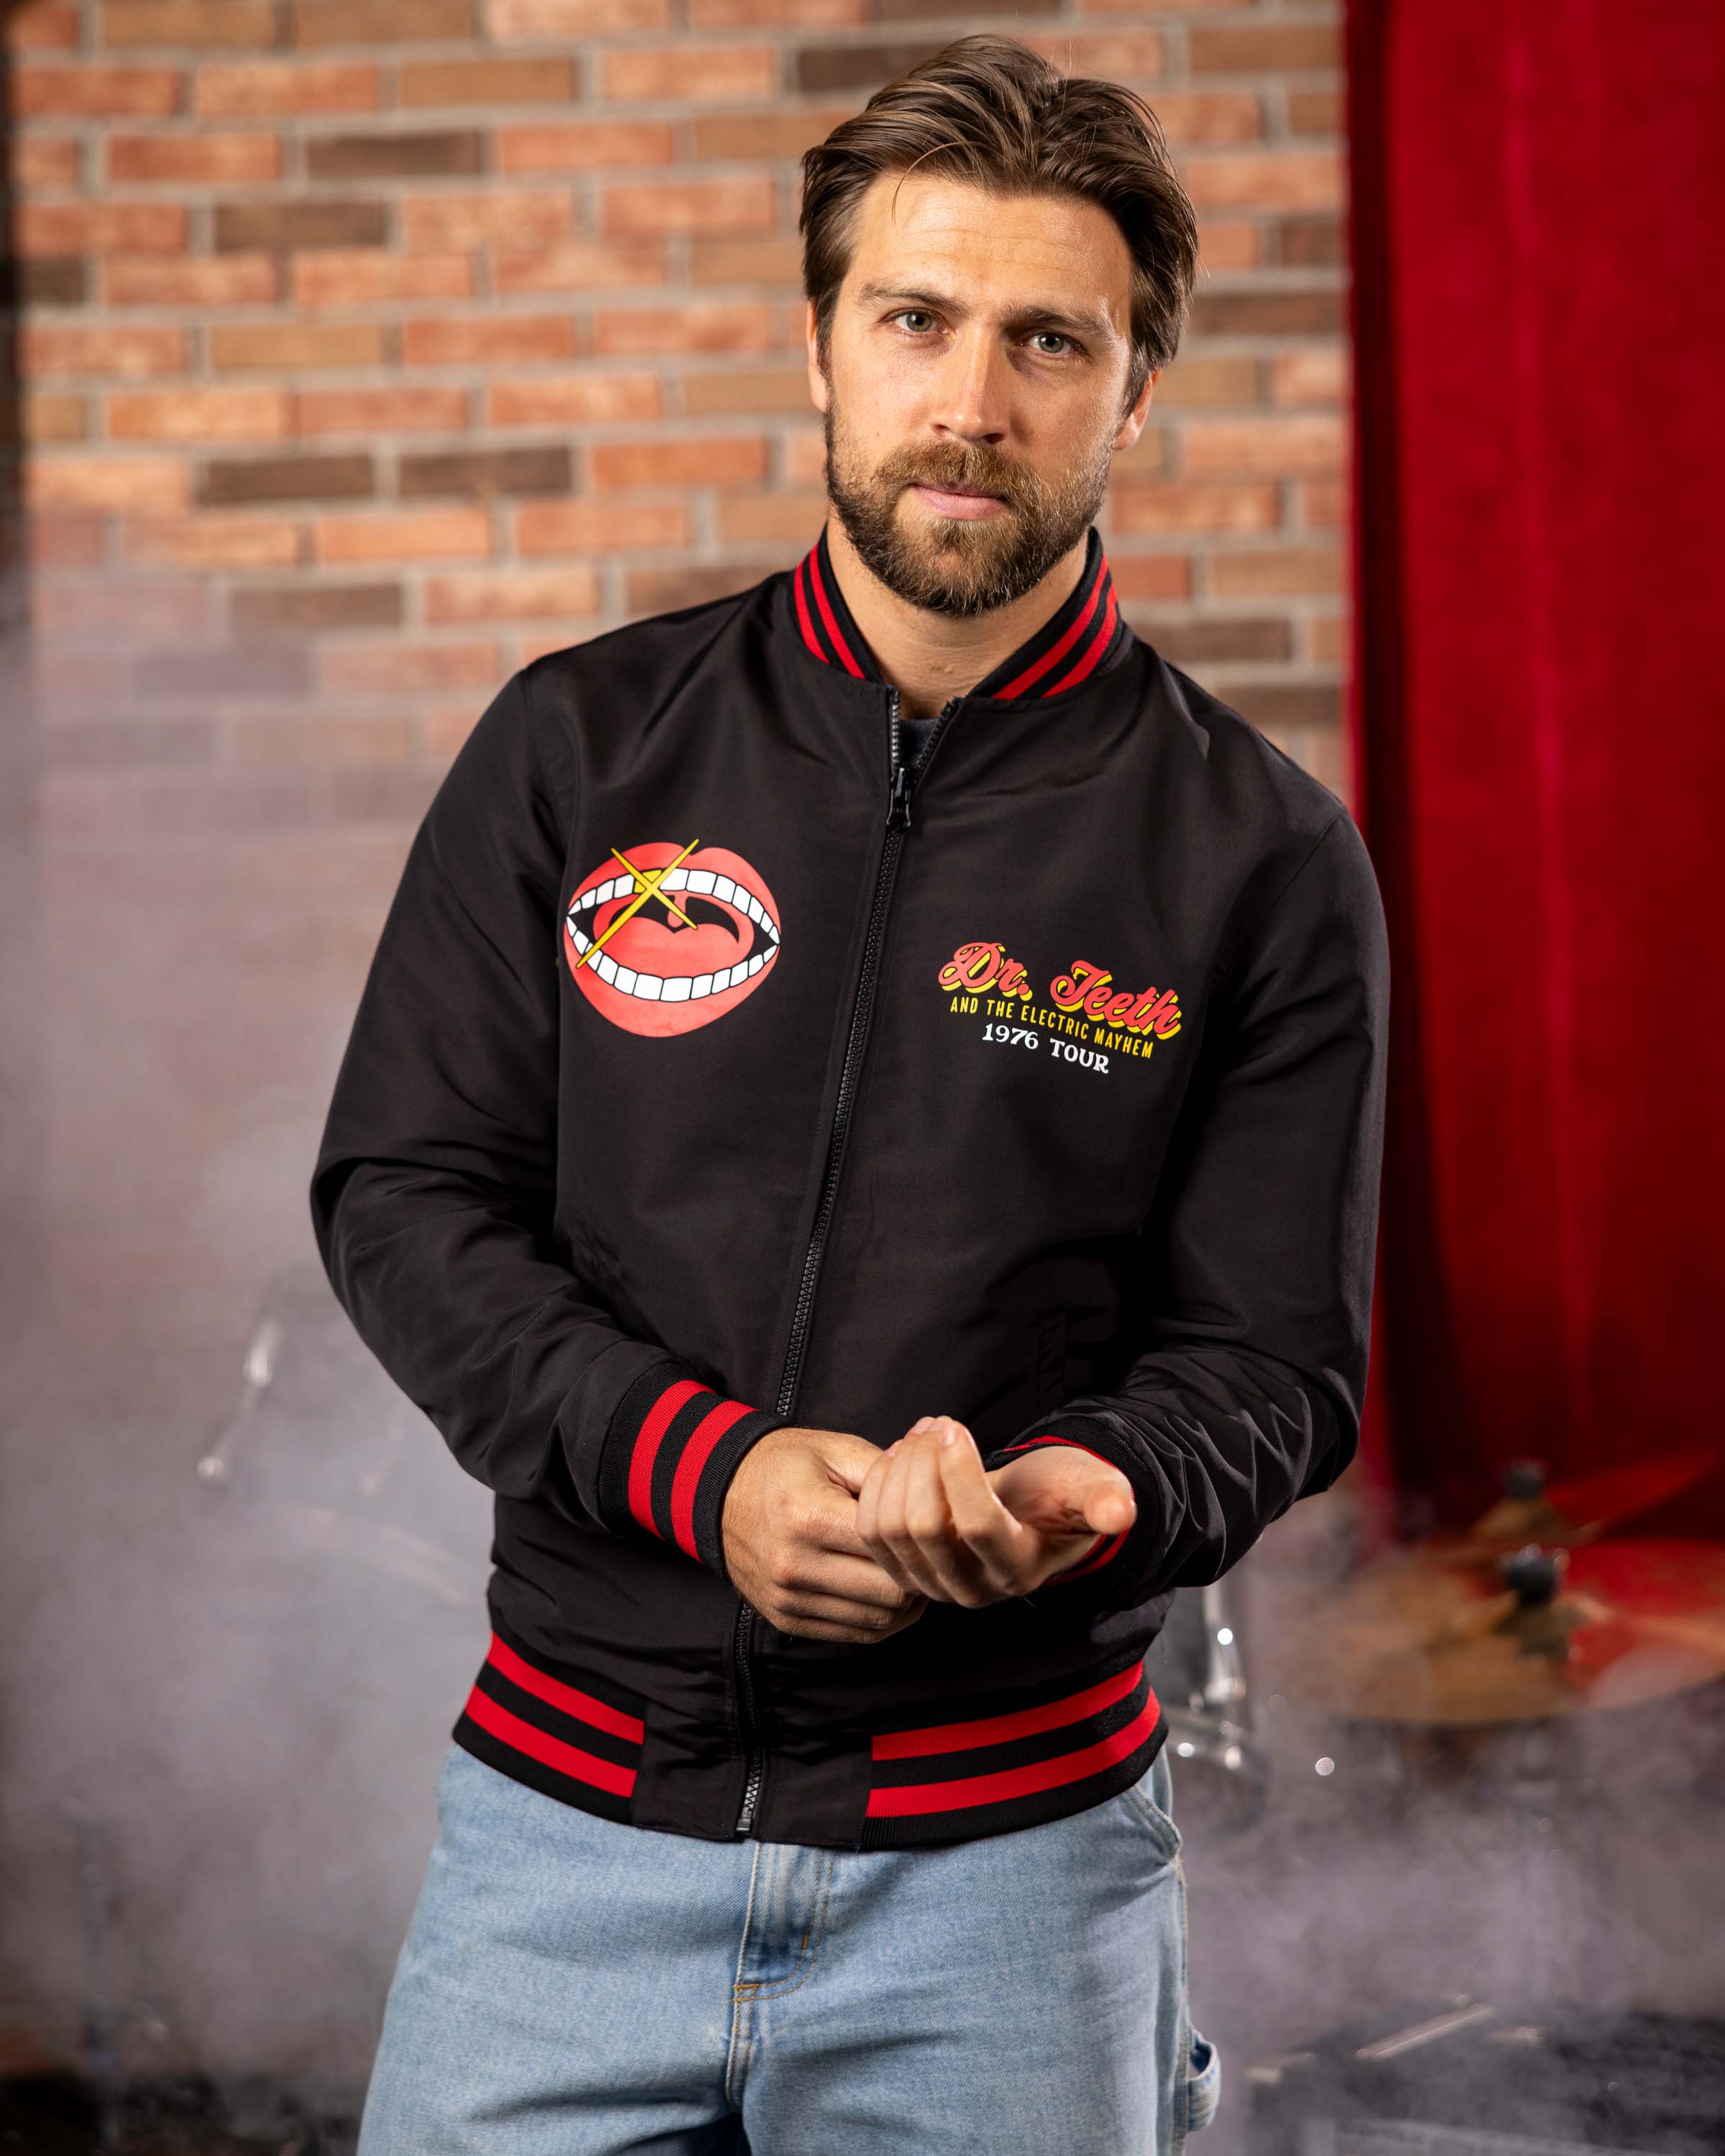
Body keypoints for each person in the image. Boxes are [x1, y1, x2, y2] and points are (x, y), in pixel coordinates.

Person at [309, 31, 1388, 2155]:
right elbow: (405, 1198)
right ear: (818, 346)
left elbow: (1275, 1362)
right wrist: (708, 1474)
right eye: (915, 320)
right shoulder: (576, 750)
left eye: (1049, 340)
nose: (972, 401)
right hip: (561, 1850)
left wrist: (1087, 1490)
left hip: (1013, 1895)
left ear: (1135, 393)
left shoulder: (1260, 857)